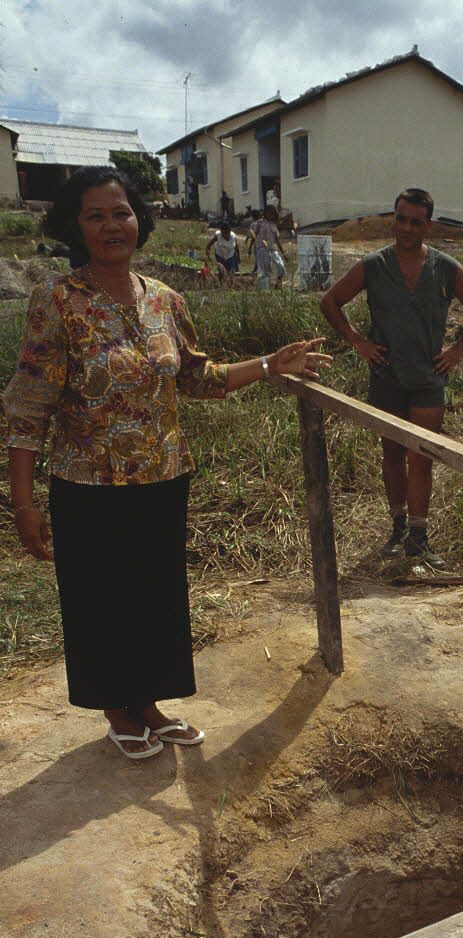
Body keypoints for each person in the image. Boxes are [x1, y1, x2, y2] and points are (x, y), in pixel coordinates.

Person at [4, 165, 330, 761]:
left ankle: (150, 704)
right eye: (96, 215)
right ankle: (116, 708)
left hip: (161, 478)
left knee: (154, 596)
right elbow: (27, 411)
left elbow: (197, 378)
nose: (112, 225)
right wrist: (23, 504)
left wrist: (269, 364)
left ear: (139, 220)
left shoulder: (165, 301)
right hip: (88, 486)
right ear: (76, 227)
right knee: (101, 598)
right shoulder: (59, 303)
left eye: (121, 212)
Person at [319, 187, 463, 566]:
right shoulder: (375, 266)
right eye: (401, 219)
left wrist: (457, 351)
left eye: (416, 221)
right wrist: (356, 341)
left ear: (428, 225)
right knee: (393, 454)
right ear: (393, 219)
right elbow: (330, 302)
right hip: (387, 377)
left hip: (428, 379)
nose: (407, 228)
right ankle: (397, 530)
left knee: (423, 456)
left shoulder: (445, 267)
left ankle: (419, 536)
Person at [246, 205, 286, 290]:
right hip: (262, 249)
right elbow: (254, 235)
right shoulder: (259, 223)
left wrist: (283, 253)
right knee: (265, 271)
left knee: (281, 266)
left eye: (273, 212)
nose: (271, 214)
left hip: (272, 249)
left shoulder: (273, 225)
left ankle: (277, 284)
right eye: (269, 212)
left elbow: (277, 240)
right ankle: (265, 289)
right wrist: (250, 248)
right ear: (265, 213)